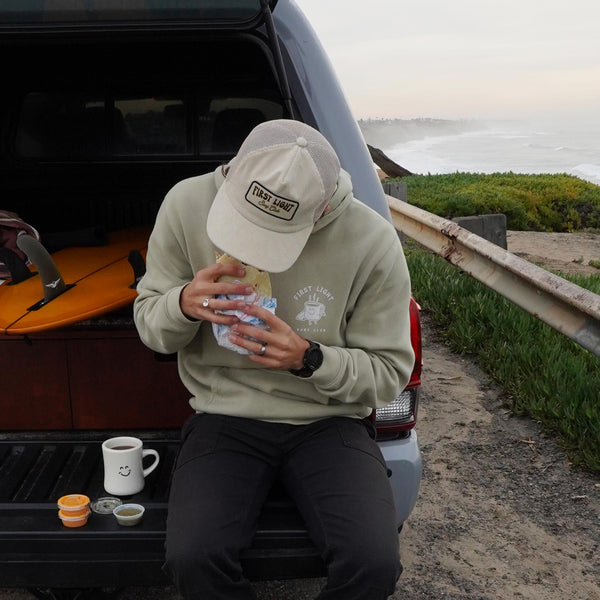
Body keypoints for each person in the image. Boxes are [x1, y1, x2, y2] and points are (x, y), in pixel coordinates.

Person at [133, 119, 415, 600]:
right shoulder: (185, 203)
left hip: (331, 420)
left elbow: (389, 373)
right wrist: (183, 304)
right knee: (193, 558)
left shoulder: (371, 239)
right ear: (233, 173)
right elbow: (150, 328)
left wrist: (310, 359)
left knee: (374, 563)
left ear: (321, 208)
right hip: (225, 412)